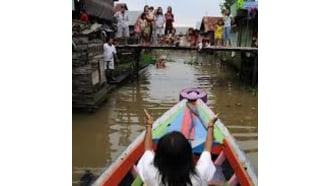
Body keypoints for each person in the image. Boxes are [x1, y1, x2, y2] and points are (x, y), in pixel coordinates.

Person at [137, 109, 218, 186]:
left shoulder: (150, 173)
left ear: (159, 158)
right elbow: (207, 150)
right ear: (189, 156)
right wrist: (210, 125)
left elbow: (147, 149)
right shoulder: (200, 175)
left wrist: (149, 124)